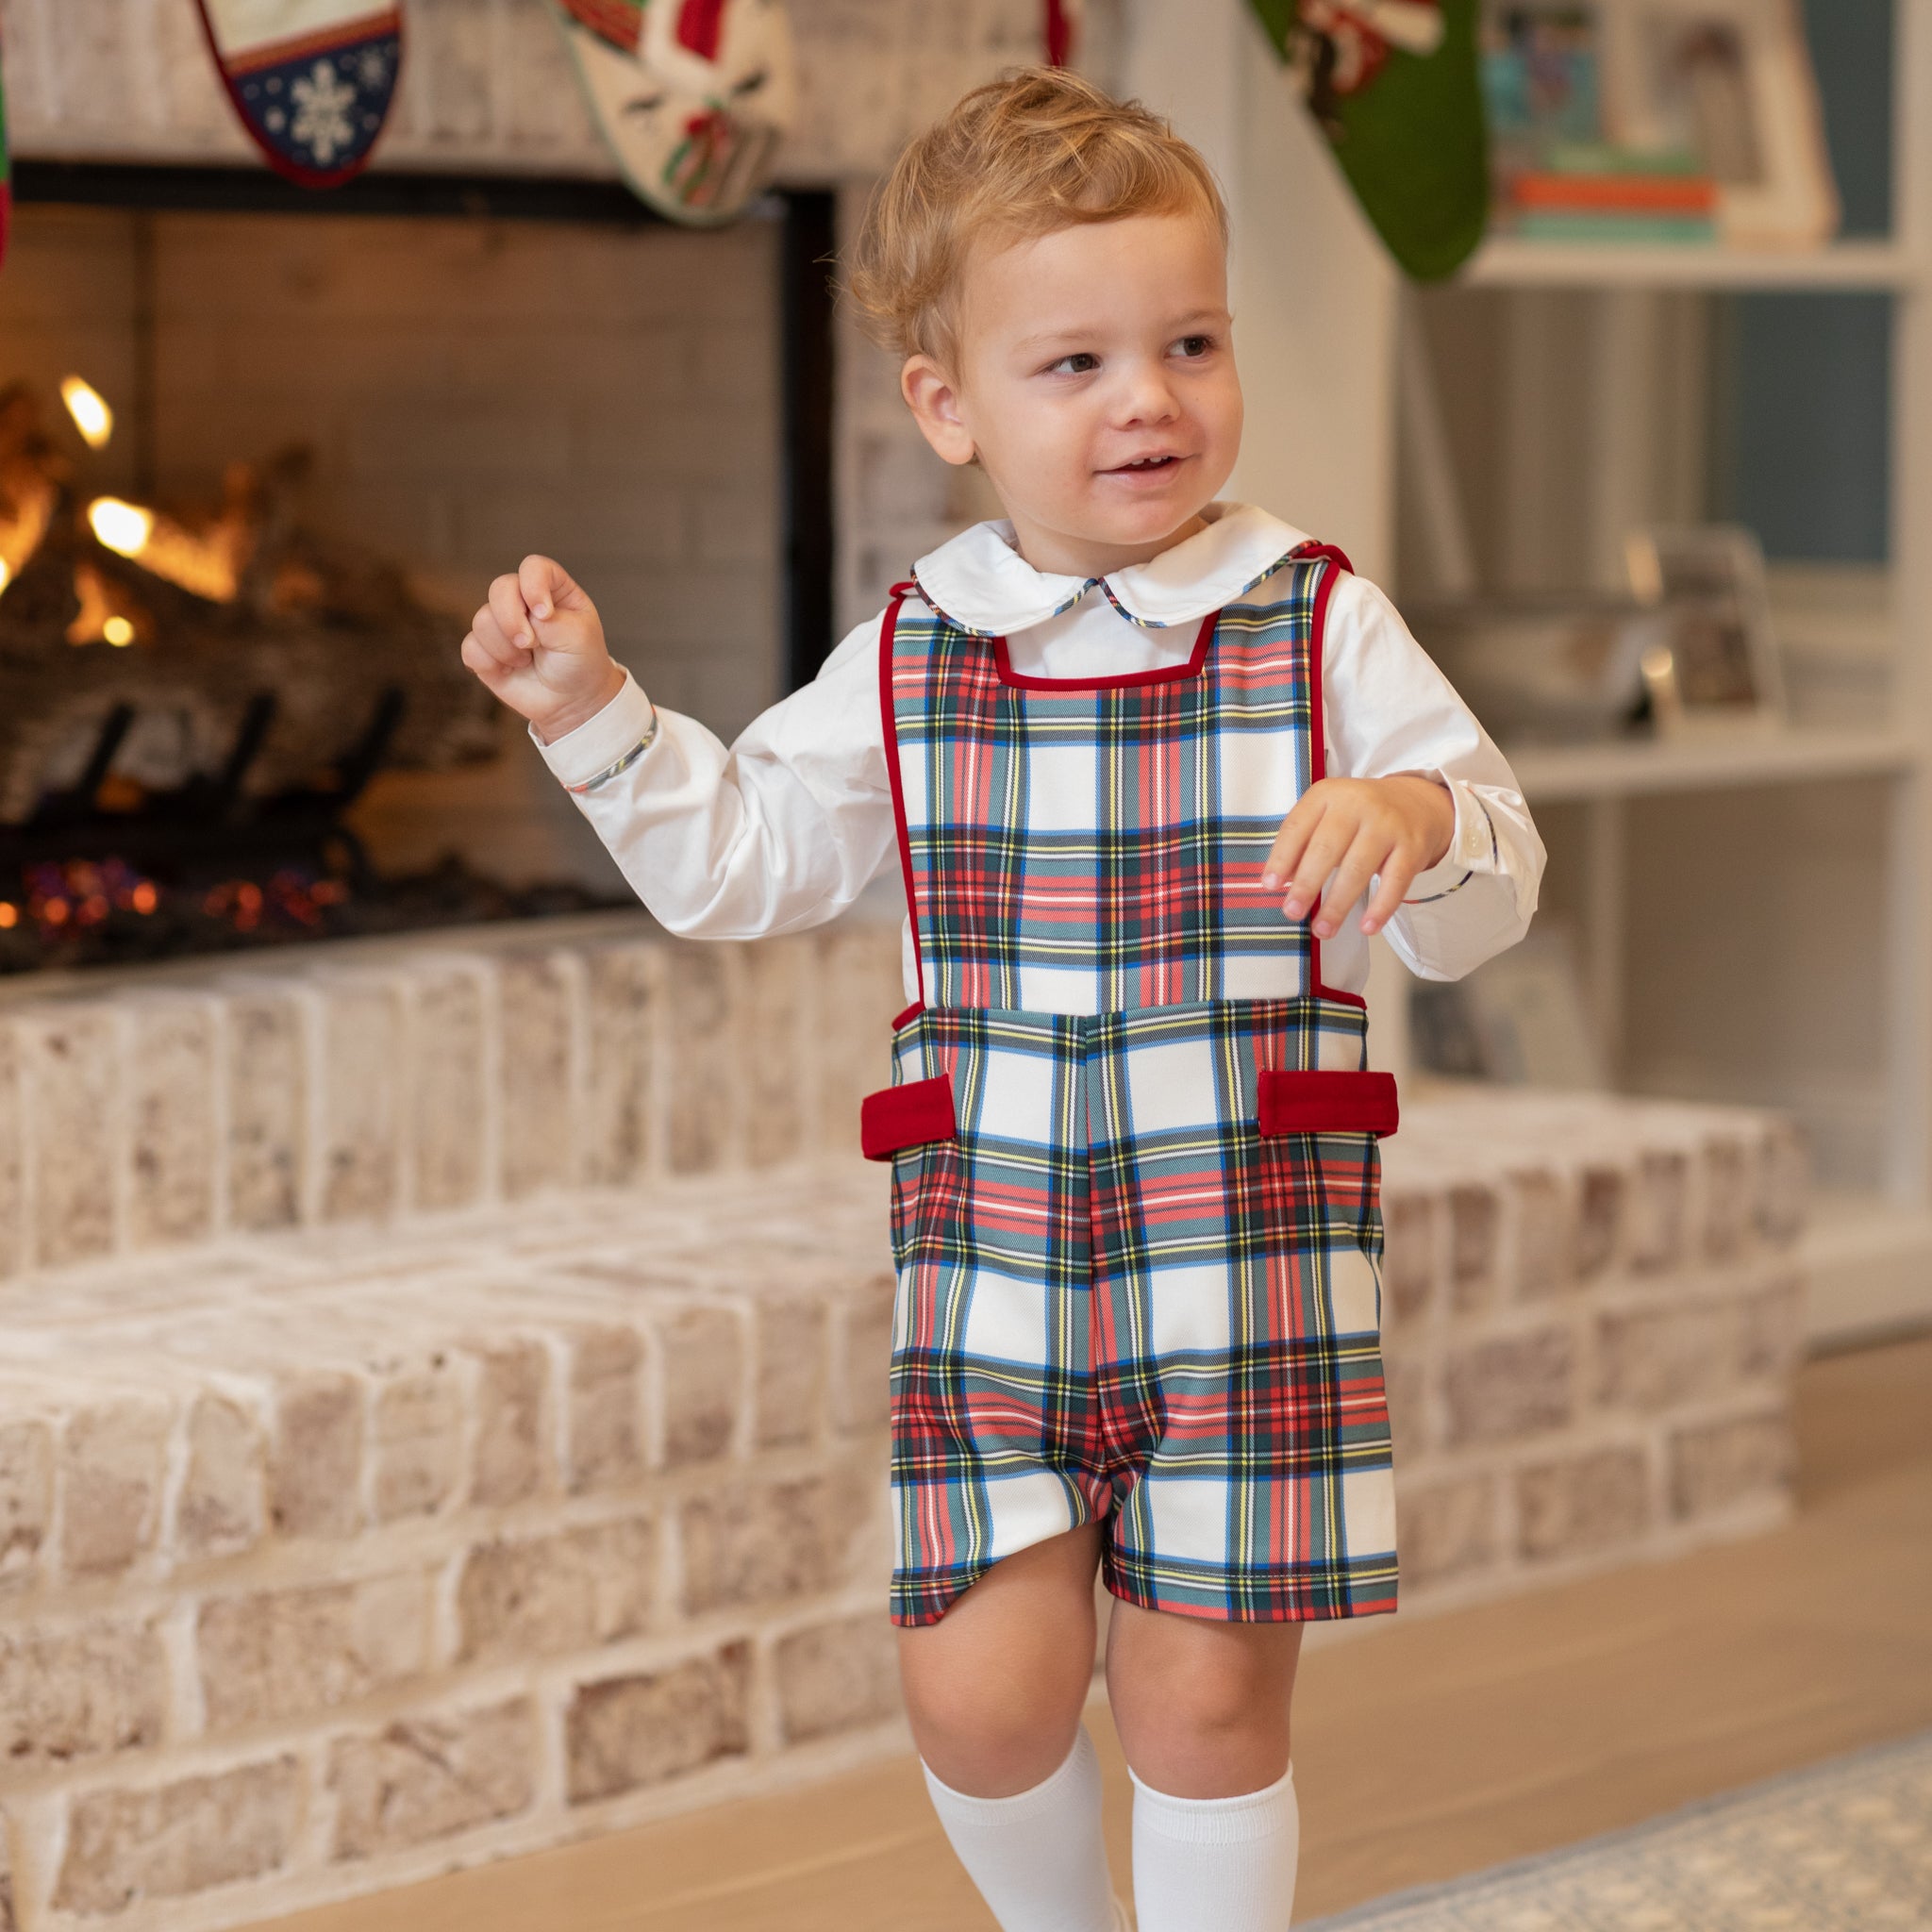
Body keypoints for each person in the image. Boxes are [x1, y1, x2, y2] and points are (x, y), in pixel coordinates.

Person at [460, 66, 1543, 1932]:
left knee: (1203, 1689)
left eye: (1188, 341)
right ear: (948, 408)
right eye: (1077, 365)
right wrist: (595, 719)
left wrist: (1420, 814)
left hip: (1245, 1246)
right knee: (978, 1683)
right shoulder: (915, 648)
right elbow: (741, 865)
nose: (1148, 396)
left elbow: (1485, 900)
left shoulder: (1317, 617)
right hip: (996, 1247)